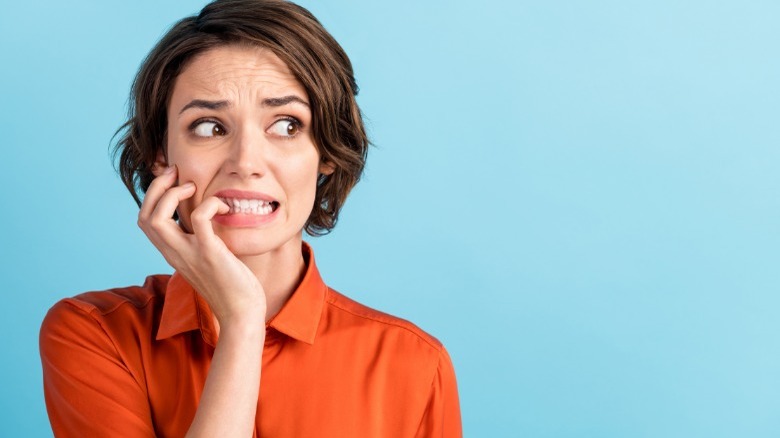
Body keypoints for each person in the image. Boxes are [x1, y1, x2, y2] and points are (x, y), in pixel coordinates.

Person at [38, 0, 462, 436]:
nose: (246, 162)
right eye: (208, 127)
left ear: (328, 152)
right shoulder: (95, 333)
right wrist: (242, 321)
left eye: (286, 125)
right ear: (160, 155)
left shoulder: (412, 364)